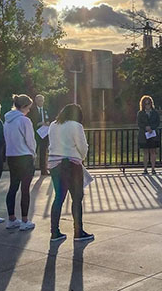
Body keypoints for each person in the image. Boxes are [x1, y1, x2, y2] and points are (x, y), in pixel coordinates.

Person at [48, 103, 94, 242]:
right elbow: (82, 146)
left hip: (55, 164)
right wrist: (81, 157)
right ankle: (78, 231)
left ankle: (54, 232)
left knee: (58, 199)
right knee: (77, 198)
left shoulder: (53, 125)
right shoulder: (76, 126)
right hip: (72, 164)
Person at [4, 94, 36, 231]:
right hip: (24, 156)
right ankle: (24, 220)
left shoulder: (7, 120)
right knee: (25, 189)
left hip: (11, 155)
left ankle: (11, 218)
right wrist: (33, 153)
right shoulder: (24, 121)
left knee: (13, 187)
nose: (29, 110)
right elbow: (30, 140)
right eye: (28, 108)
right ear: (23, 106)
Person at [27, 94, 51, 175]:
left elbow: (50, 118)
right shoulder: (32, 111)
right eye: (39, 100)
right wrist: (38, 123)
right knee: (34, 151)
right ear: (36, 101)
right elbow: (29, 122)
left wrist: (48, 123)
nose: (41, 102)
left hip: (44, 134)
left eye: (42, 100)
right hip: (35, 134)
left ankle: (43, 169)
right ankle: (30, 169)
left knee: (43, 152)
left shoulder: (46, 110)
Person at [137, 95, 160, 175]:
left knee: (153, 151)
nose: (147, 105)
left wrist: (151, 128)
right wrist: (146, 128)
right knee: (146, 152)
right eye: (145, 104)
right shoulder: (140, 113)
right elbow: (139, 123)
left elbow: (157, 122)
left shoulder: (155, 112)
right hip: (144, 134)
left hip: (153, 134)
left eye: (149, 103)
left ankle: (153, 169)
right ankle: (145, 169)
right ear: (143, 104)